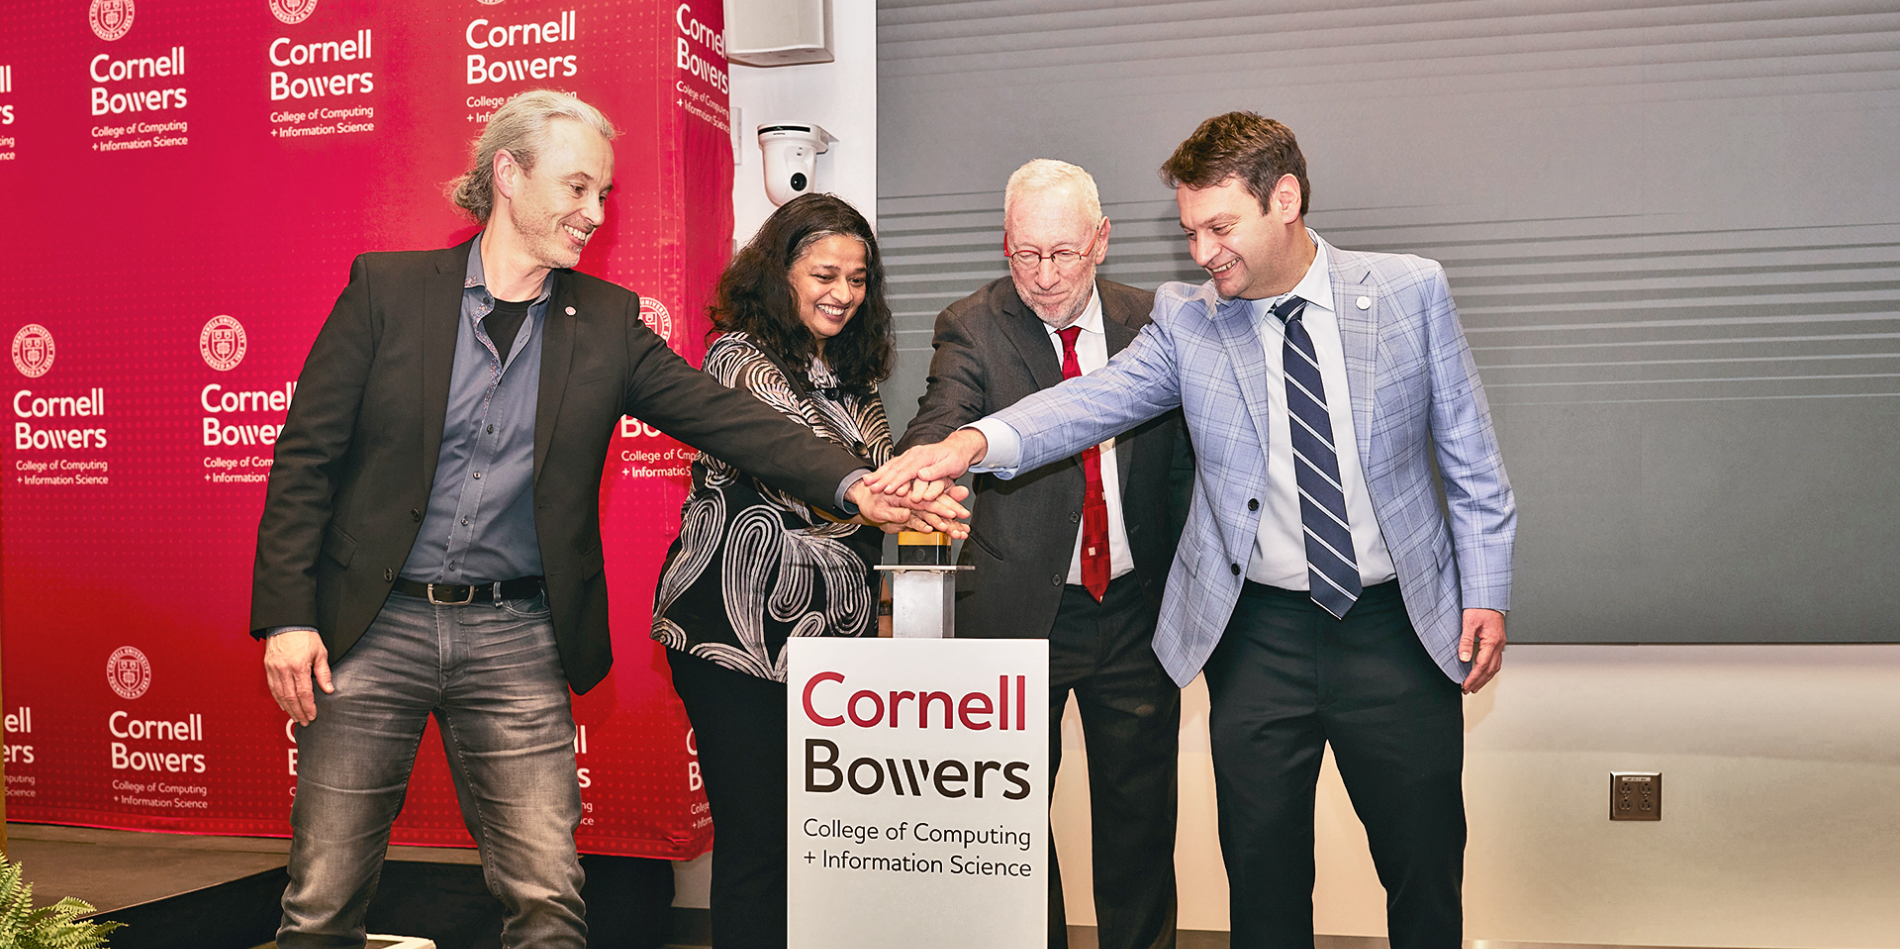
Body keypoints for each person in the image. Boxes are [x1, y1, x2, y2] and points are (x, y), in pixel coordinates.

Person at [250, 90, 960, 949]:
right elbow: (306, 459)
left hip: (515, 635)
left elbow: (728, 418)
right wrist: (290, 614)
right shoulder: (388, 290)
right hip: (373, 627)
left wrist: (855, 485)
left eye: (604, 194)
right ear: (508, 176)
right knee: (322, 903)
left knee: (549, 905)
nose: (594, 213)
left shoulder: (608, 323)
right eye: (578, 188)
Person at [866, 111, 1515, 948]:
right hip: (1261, 634)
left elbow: (1472, 459)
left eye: (1219, 228)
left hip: (1395, 623)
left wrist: (1488, 589)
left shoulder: (1406, 291)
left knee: (1423, 864)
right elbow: (1086, 403)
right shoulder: (1190, 320)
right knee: (1262, 874)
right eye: (1190, 232)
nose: (1203, 253)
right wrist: (969, 442)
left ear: (1285, 199)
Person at [897, 159, 1185, 949]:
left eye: (1064, 253)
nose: (1046, 275)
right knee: (1010, 827)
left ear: (1101, 241)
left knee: (1140, 818)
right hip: (1021, 607)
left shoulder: (1157, 319)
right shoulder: (973, 324)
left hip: (1135, 606)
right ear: (1005, 245)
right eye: (1026, 254)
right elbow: (939, 421)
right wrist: (928, 473)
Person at [649, 192, 903, 949]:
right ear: (778, 272)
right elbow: (818, 463)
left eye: (858, 279)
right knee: (761, 847)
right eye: (825, 273)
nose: (843, 294)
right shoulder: (738, 358)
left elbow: (883, 470)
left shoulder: (850, 373)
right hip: (736, 641)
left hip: (830, 648)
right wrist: (897, 486)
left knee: (819, 846)